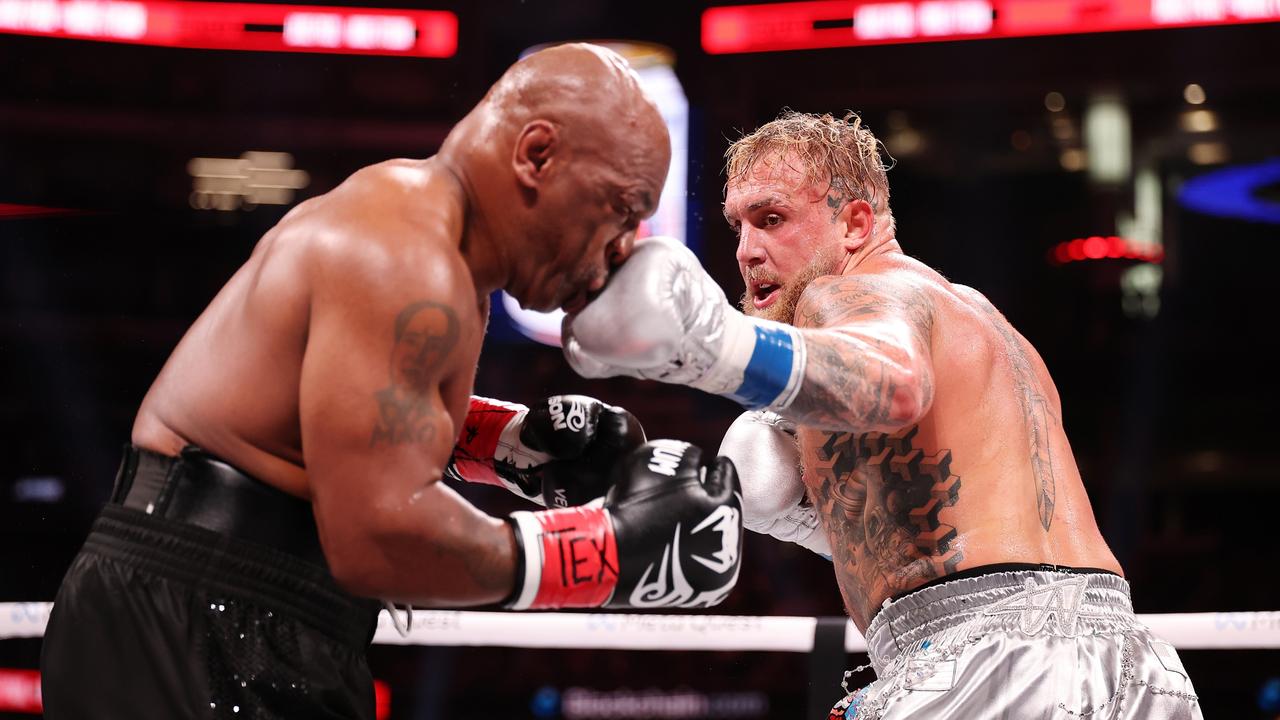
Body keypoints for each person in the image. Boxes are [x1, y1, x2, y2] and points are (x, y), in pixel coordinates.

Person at [40, 43, 744, 720]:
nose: (623, 247)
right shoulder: (401, 253)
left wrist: (512, 444)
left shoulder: (428, 244)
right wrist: (604, 552)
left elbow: (343, 413)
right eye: (622, 208)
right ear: (536, 154)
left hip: (240, 607)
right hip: (198, 609)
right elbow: (377, 536)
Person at [563, 110, 1201, 719]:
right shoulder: (978, 321)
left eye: (773, 218)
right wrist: (787, 513)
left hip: (984, 659)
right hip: (1134, 667)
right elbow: (929, 529)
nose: (746, 252)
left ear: (856, 224)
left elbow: (893, 383)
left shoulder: (854, 292)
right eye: (739, 227)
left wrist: (703, 344)